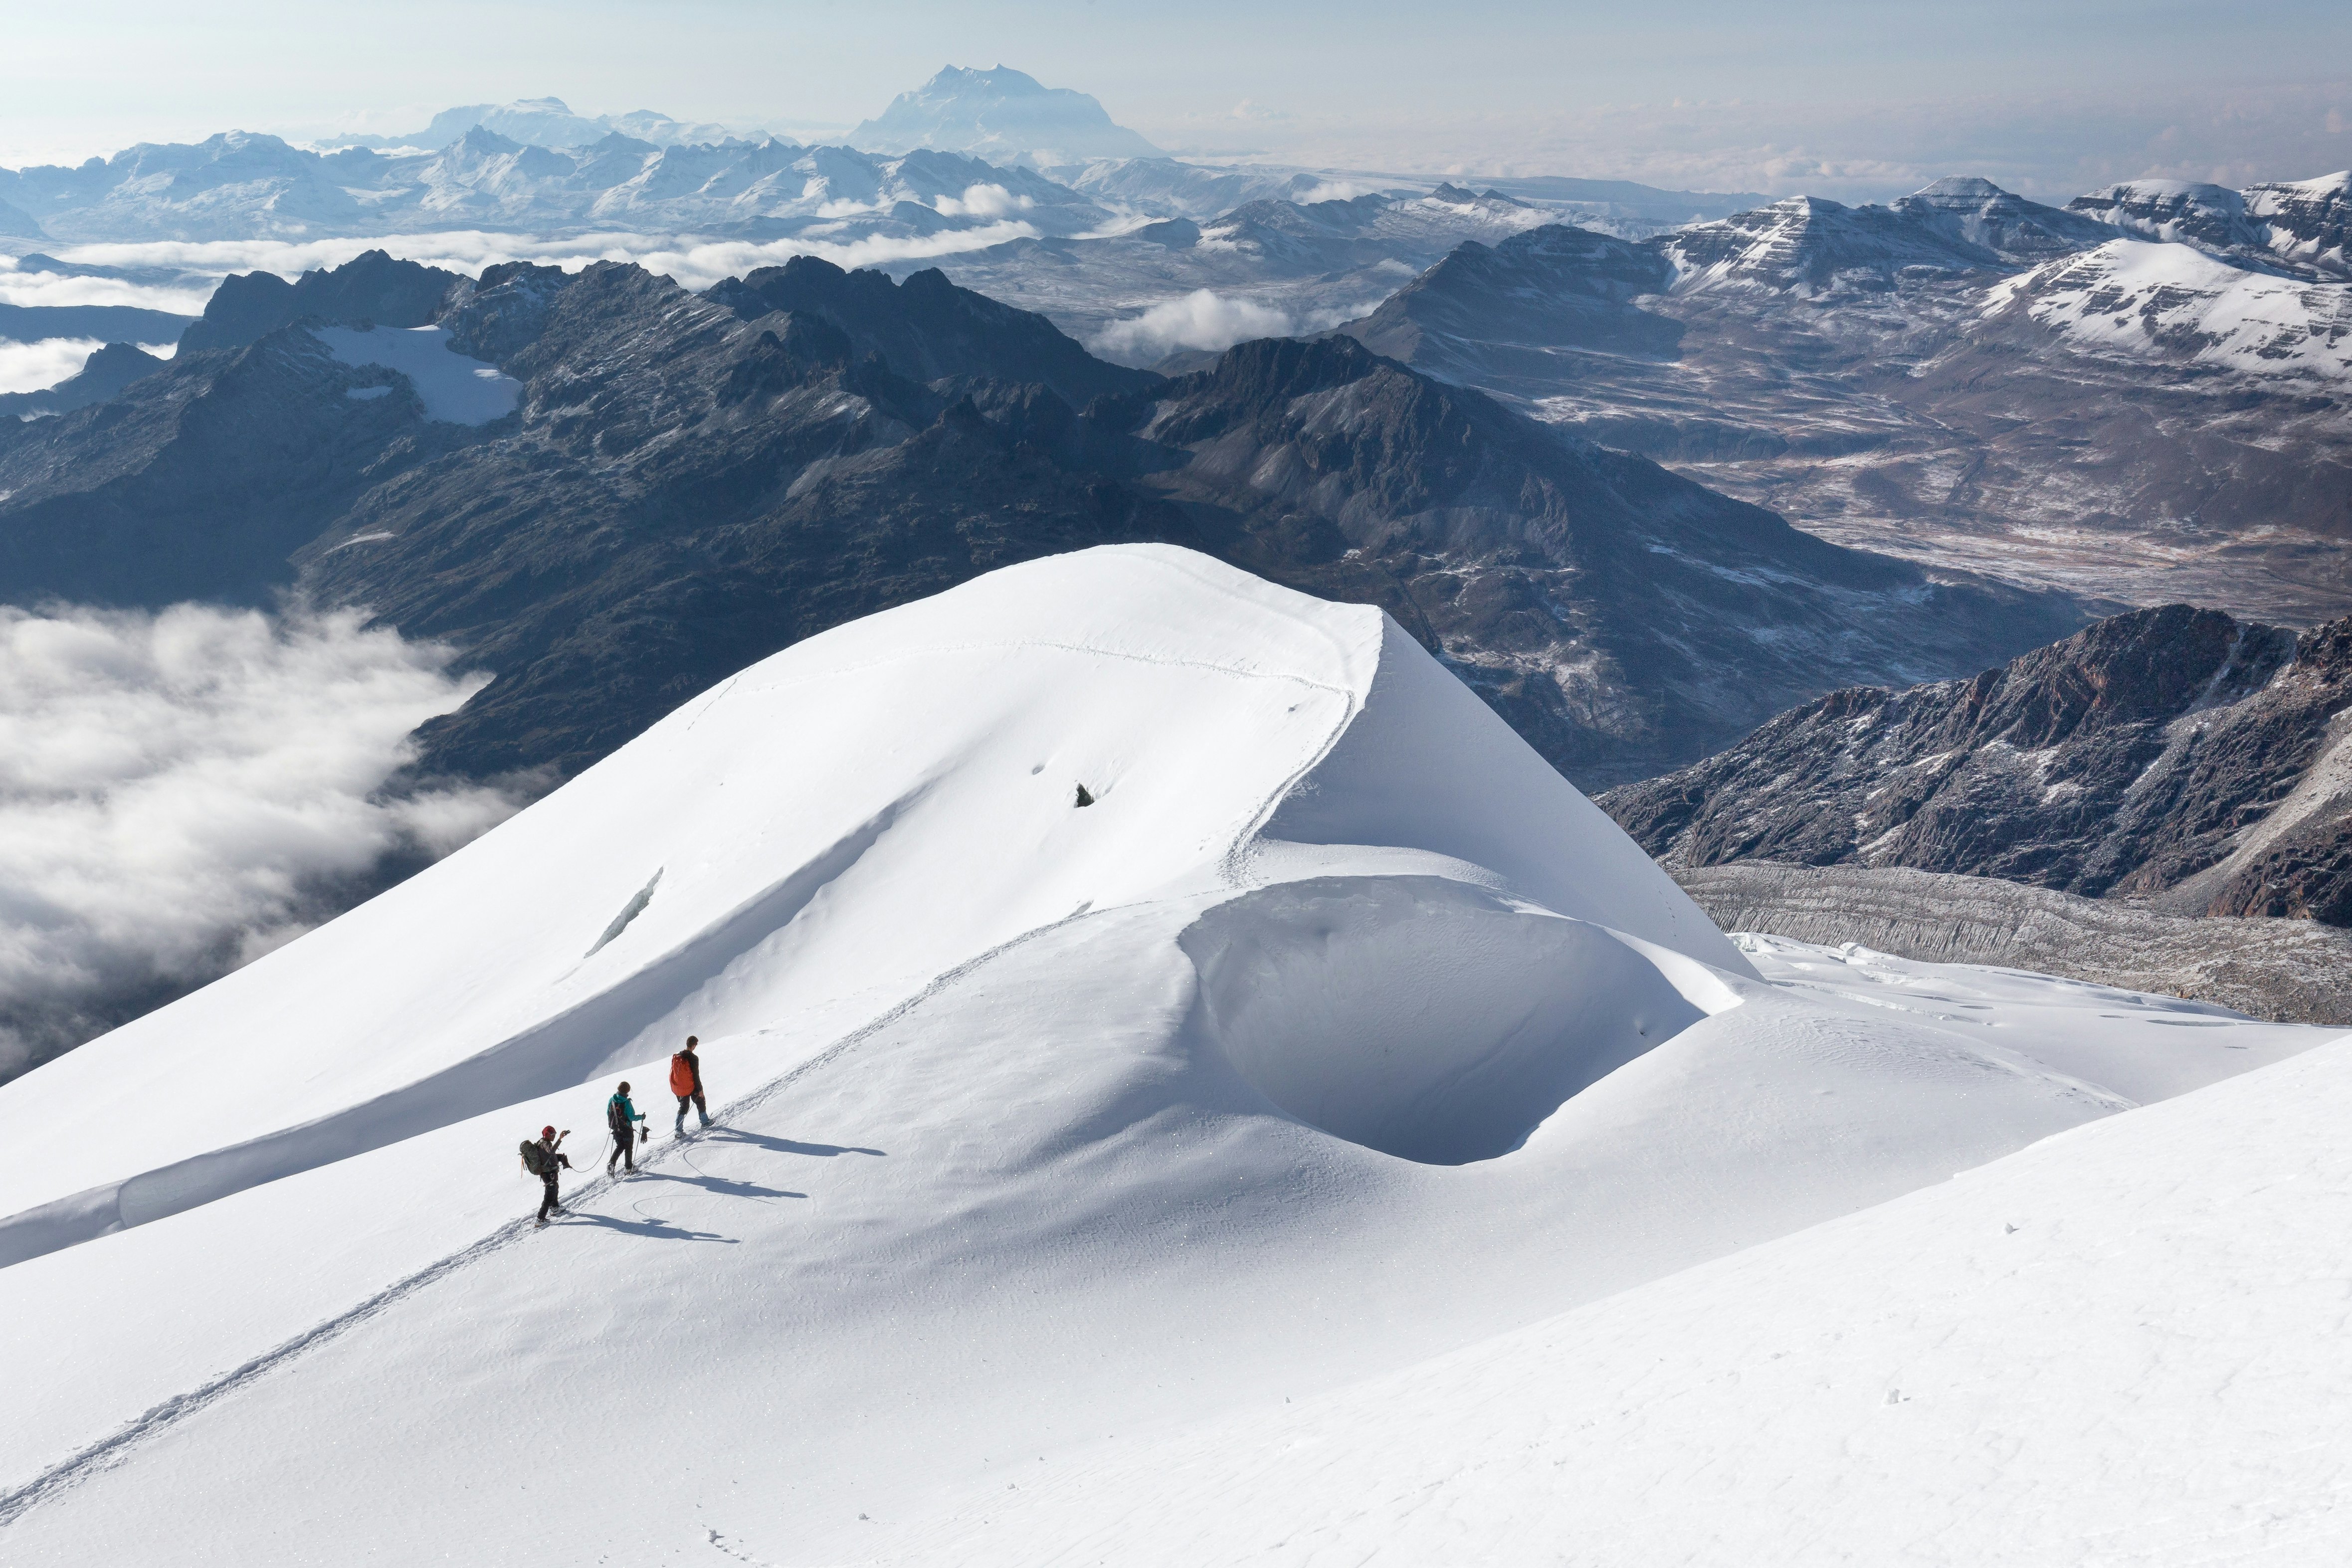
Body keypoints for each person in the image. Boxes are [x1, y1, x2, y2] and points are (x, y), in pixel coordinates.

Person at [521, 1125, 572, 1225]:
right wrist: (560, 1139)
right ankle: (540, 1219)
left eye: (555, 1134)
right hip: (548, 1174)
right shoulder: (545, 1144)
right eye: (552, 1134)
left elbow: (548, 1155)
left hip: (549, 1172)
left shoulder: (542, 1142)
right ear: (547, 1135)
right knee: (549, 1196)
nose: (554, 1136)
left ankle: (555, 1208)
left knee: (555, 1188)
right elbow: (551, 1151)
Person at [671, 1035, 711, 1135]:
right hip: (691, 1086)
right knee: (701, 1101)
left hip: (681, 1087)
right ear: (694, 1045)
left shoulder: (678, 1056)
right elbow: (696, 1075)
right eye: (695, 1045)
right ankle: (705, 1122)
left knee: (684, 1107)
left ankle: (678, 1131)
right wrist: (700, 1089)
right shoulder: (693, 1058)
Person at [606, 1081, 647, 1173]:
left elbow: (608, 1113)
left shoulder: (612, 1100)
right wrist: (642, 1117)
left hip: (616, 1129)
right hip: (627, 1129)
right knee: (628, 1148)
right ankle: (629, 1168)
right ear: (628, 1091)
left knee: (620, 1146)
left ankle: (611, 1163)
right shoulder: (627, 1103)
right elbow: (632, 1117)